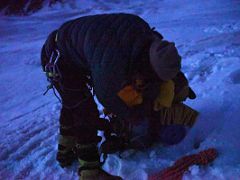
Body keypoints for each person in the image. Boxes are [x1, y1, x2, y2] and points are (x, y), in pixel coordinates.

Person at [41, 13, 197, 180]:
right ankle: (90, 172)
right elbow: (109, 98)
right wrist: (137, 116)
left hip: (78, 43)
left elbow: (165, 62)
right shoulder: (111, 63)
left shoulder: (149, 40)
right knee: (83, 110)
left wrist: (179, 84)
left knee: (72, 104)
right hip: (59, 56)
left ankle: (65, 151)